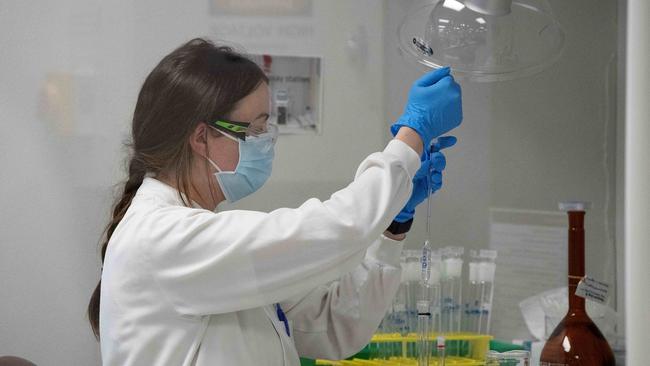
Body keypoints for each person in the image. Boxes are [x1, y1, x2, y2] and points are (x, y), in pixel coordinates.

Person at [87, 38, 462, 366]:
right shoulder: (162, 238)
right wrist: (413, 134)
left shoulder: (206, 247)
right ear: (201, 138)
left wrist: (393, 225)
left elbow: (336, 326)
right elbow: (337, 230)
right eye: (256, 128)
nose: (266, 141)